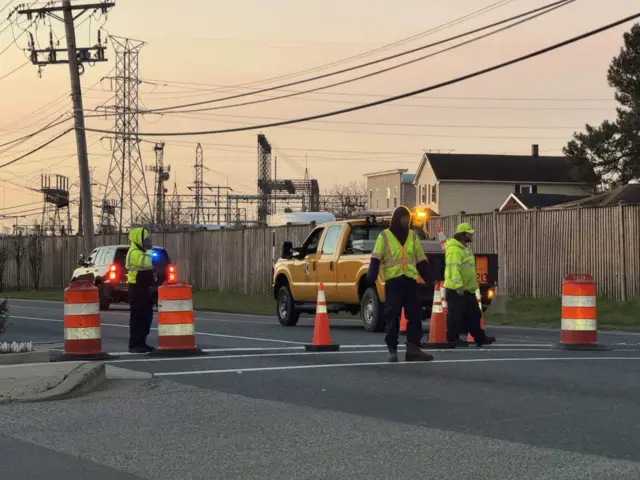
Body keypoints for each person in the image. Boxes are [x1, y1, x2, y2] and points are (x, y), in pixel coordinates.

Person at [366, 205, 434, 363]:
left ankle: (413, 350)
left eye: (408, 219)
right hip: (393, 282)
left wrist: (429, 279)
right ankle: (392, 350)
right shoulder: (384, 236)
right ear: (397, 219)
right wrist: (372, 274)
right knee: (392, 316)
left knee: (415, 316)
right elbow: (376, 257)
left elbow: (420, 260)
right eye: (403, 218)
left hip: (410, 282)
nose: (406, 221)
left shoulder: (412, 236)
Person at [444, 222, 496, 347]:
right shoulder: (454, 250)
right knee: (455, 315)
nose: (472, 235)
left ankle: (480, 338)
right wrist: (458, 285)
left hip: (467, 289)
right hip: (457, 289)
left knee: (474, 314)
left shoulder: (464, 248)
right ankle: (452, 339)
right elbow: (453, 268)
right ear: (463, 235)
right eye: (469, 233)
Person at [125, 227, 156, 353]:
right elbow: (147, 263)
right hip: (136, 288)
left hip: (144, 288)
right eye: (145, 239)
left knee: (146, 316)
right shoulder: (134, 253)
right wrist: (149, 251)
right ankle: (135, 344)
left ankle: (142, 342)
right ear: (139, 239)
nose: (148, 241)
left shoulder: (140, 252)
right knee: (138, 317)